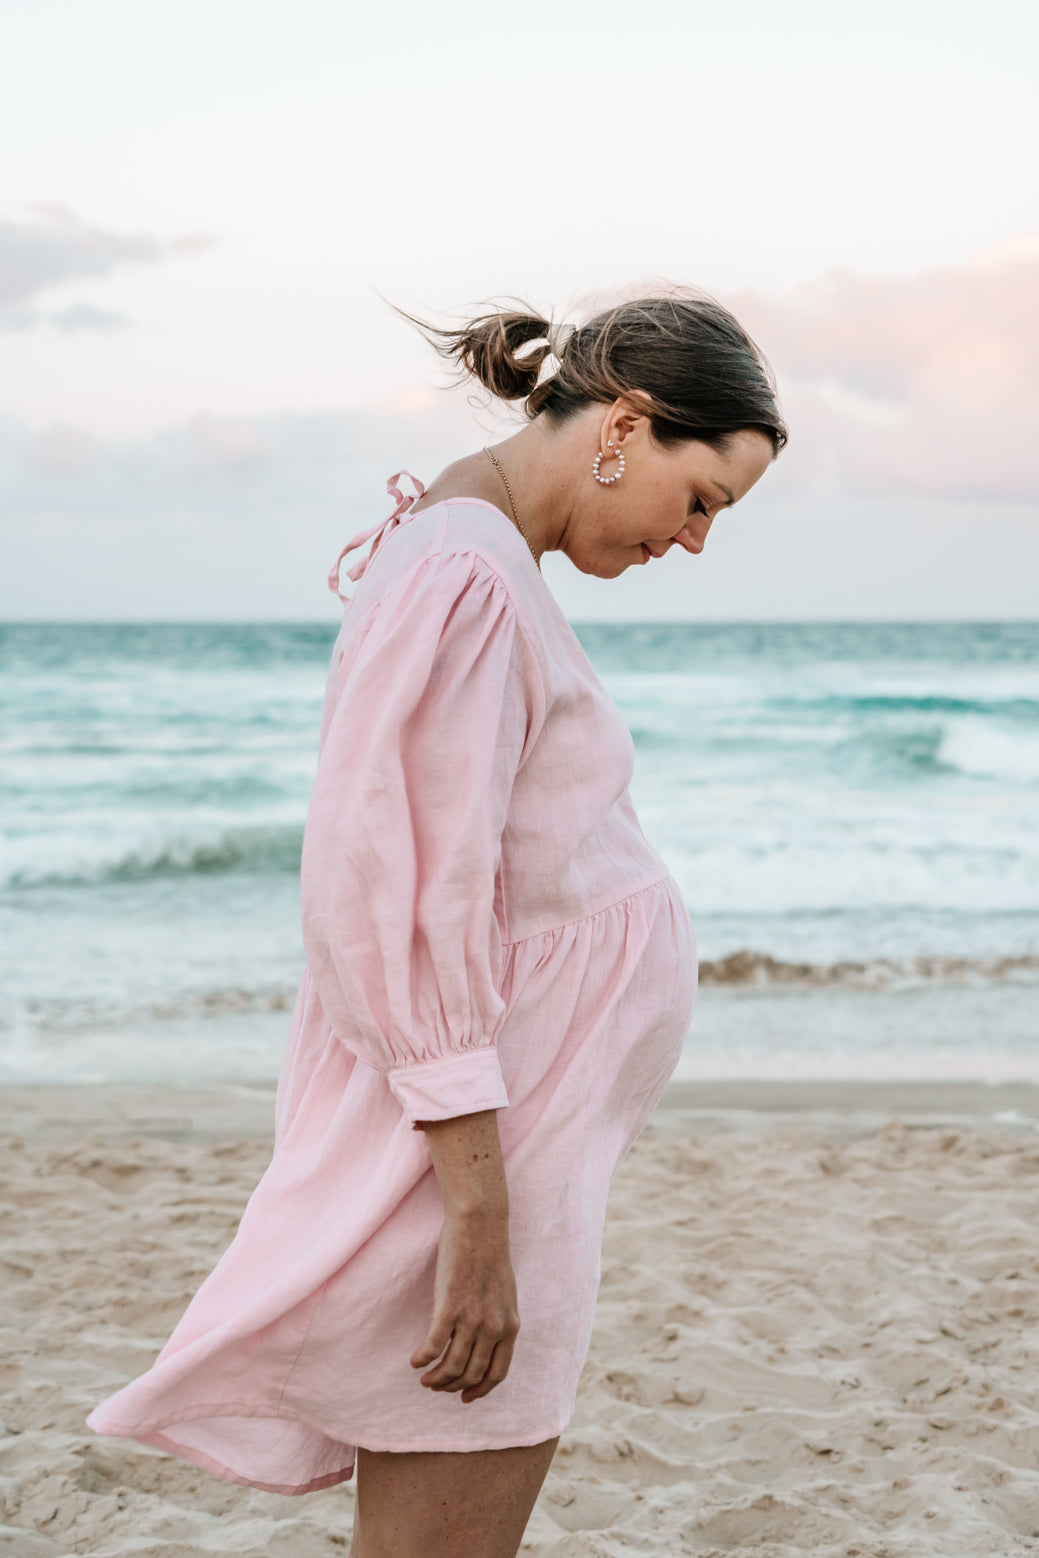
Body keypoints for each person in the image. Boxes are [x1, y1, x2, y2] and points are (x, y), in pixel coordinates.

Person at [87, 290, 787, 1558]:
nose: (693, 542)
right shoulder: (466, 574)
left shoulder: (473, 556)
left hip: (512, 1139)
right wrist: (477, 1215)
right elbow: (386, 893)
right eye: (702, 500)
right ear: (625, 425)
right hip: (480, 1151)